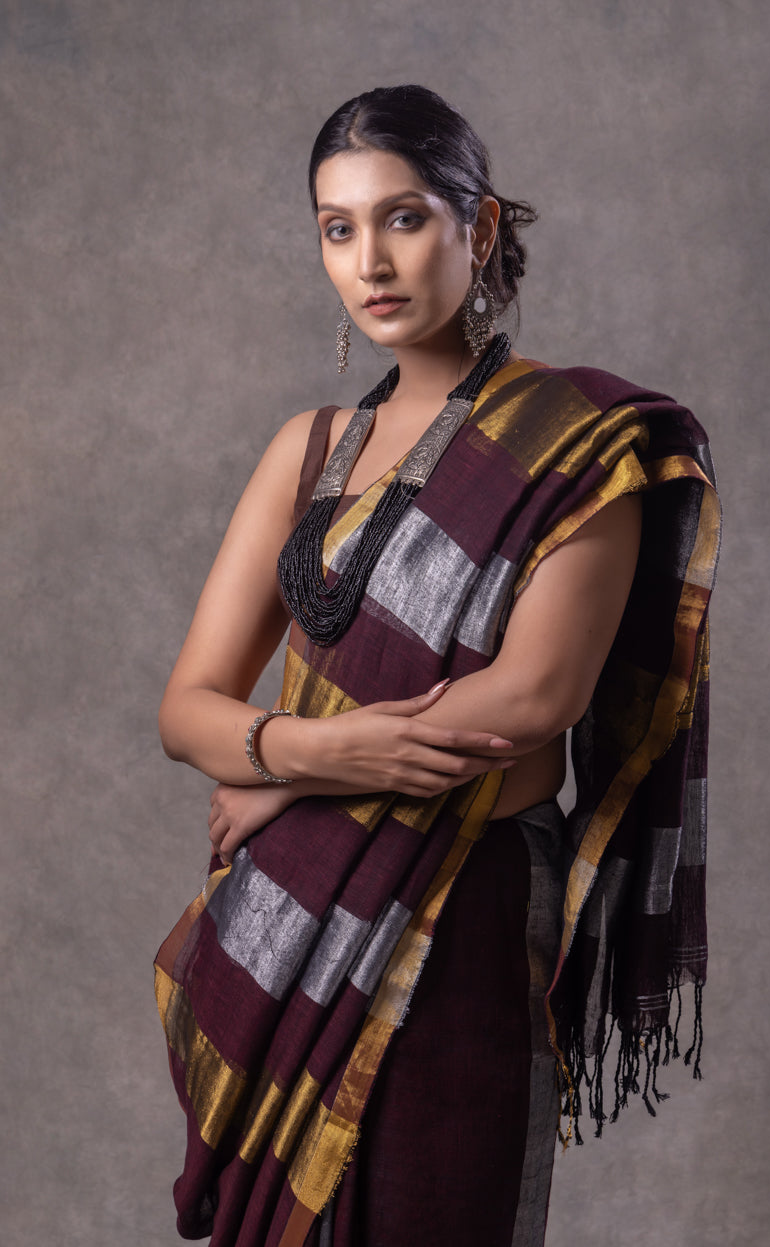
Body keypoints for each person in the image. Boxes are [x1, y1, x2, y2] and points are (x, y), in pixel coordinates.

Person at [154, 85, 721, 1247]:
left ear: (483, 226)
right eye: (338, 226)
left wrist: (282, 773)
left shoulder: (576, 442)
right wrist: (311, 754)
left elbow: (532, 698)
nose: (372, 260)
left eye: (403, 217)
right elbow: (185, 708)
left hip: (460, 910)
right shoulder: (304, 451)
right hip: (287, 921)